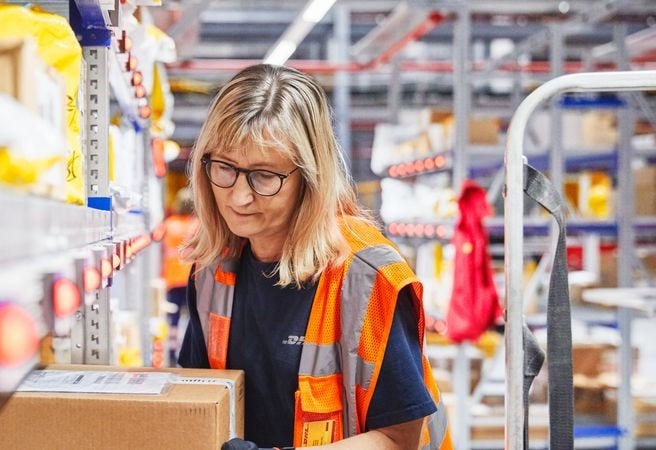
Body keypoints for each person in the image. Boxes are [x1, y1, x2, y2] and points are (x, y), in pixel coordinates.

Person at [178, 64, 452, 450]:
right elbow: (198, 398)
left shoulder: (368, 279)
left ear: (309, 177)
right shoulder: (211, 271)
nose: (239, 197)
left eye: (264, 176)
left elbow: (400, 437)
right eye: (224, 168)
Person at [162, 187, 200, 366]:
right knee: (193, 317)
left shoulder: (169, 225)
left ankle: (170, 350)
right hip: (193, 279)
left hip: (172, 278)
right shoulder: (198, 225)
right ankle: (189, 351)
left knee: (173, 317)